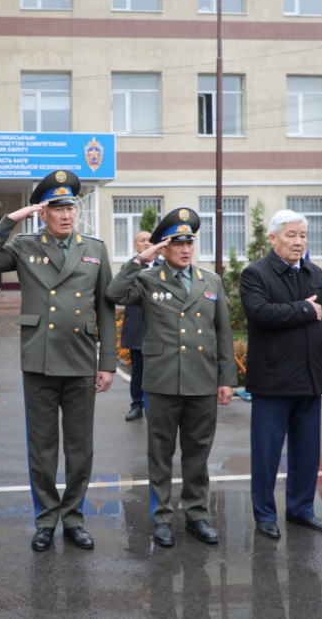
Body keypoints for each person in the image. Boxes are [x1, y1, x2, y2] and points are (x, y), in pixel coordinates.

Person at [0, 169, 116, 552]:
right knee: (42, 447)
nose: (67, 214)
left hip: (82, 358)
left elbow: (105, 309)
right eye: (58, 208)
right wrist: (11, 220)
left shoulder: (95, 249)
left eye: (71, 206)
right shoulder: (25, 246)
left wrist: (108, 362)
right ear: (43, 213)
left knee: (80, 448)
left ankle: (74, 518)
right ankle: (46, 519)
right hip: (39, 357)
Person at [106, 208, 236, 547]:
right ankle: (162, 517)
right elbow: (114, 294)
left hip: (202, 381)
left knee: (197, 454)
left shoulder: (212, 282)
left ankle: (197, 515)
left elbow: (223, 333)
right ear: (163, 247)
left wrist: (226, 379)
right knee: (160, 454)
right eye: (177, 243)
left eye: (189, 242)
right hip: (162, 382)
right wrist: (140, 258)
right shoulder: (148, 280)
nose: (185, 249)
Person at [239, 209, 322, 540]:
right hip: (273, 380)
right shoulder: (256, 274)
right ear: (273, 238)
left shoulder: (314, 272)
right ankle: (265, 514)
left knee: (307, 453)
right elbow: (260, 313)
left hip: (310, 378)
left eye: (303, 235)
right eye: (291, 235)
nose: (298, 242)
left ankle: (301, 510)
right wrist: (305, 309)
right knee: (267, 455)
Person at [120, 230, 156, 422]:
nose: (147, 243)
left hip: (159, 328)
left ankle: (158, 406)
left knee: (159, 369)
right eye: (142, 241)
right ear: (136, 246)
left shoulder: (163, 266)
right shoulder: (130, 267)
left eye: (150, 240)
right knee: (138, 370)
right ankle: (137, 404)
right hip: (137, 327)